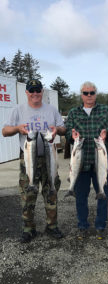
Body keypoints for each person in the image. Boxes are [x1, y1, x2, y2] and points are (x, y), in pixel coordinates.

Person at [2, 79, 66, 243]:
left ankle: (52, 226)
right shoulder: (18, 110)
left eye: (38, 90)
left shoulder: (51, 110)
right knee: (27, 194)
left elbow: (63, 128)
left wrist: (57, 129)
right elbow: (5, 130)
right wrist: (17, 128)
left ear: (42, 92)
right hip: (28, 158)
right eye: (32, 90)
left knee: (51, 191)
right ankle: (28, 229)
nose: (35, 93)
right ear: (27, 93)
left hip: (49, 157)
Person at [65, 81, 108, 240]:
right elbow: (67, 133)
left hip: (100, 162)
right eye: (86, 93)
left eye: (92, 93)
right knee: (81, 197)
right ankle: (82, 225)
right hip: (81, 162)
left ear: (96, 94)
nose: (89, 96)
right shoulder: (74, 112)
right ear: (81, 95)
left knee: (102, 195)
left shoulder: (105, 110)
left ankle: (100, 226)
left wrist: (105, 133)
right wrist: (72, 136)